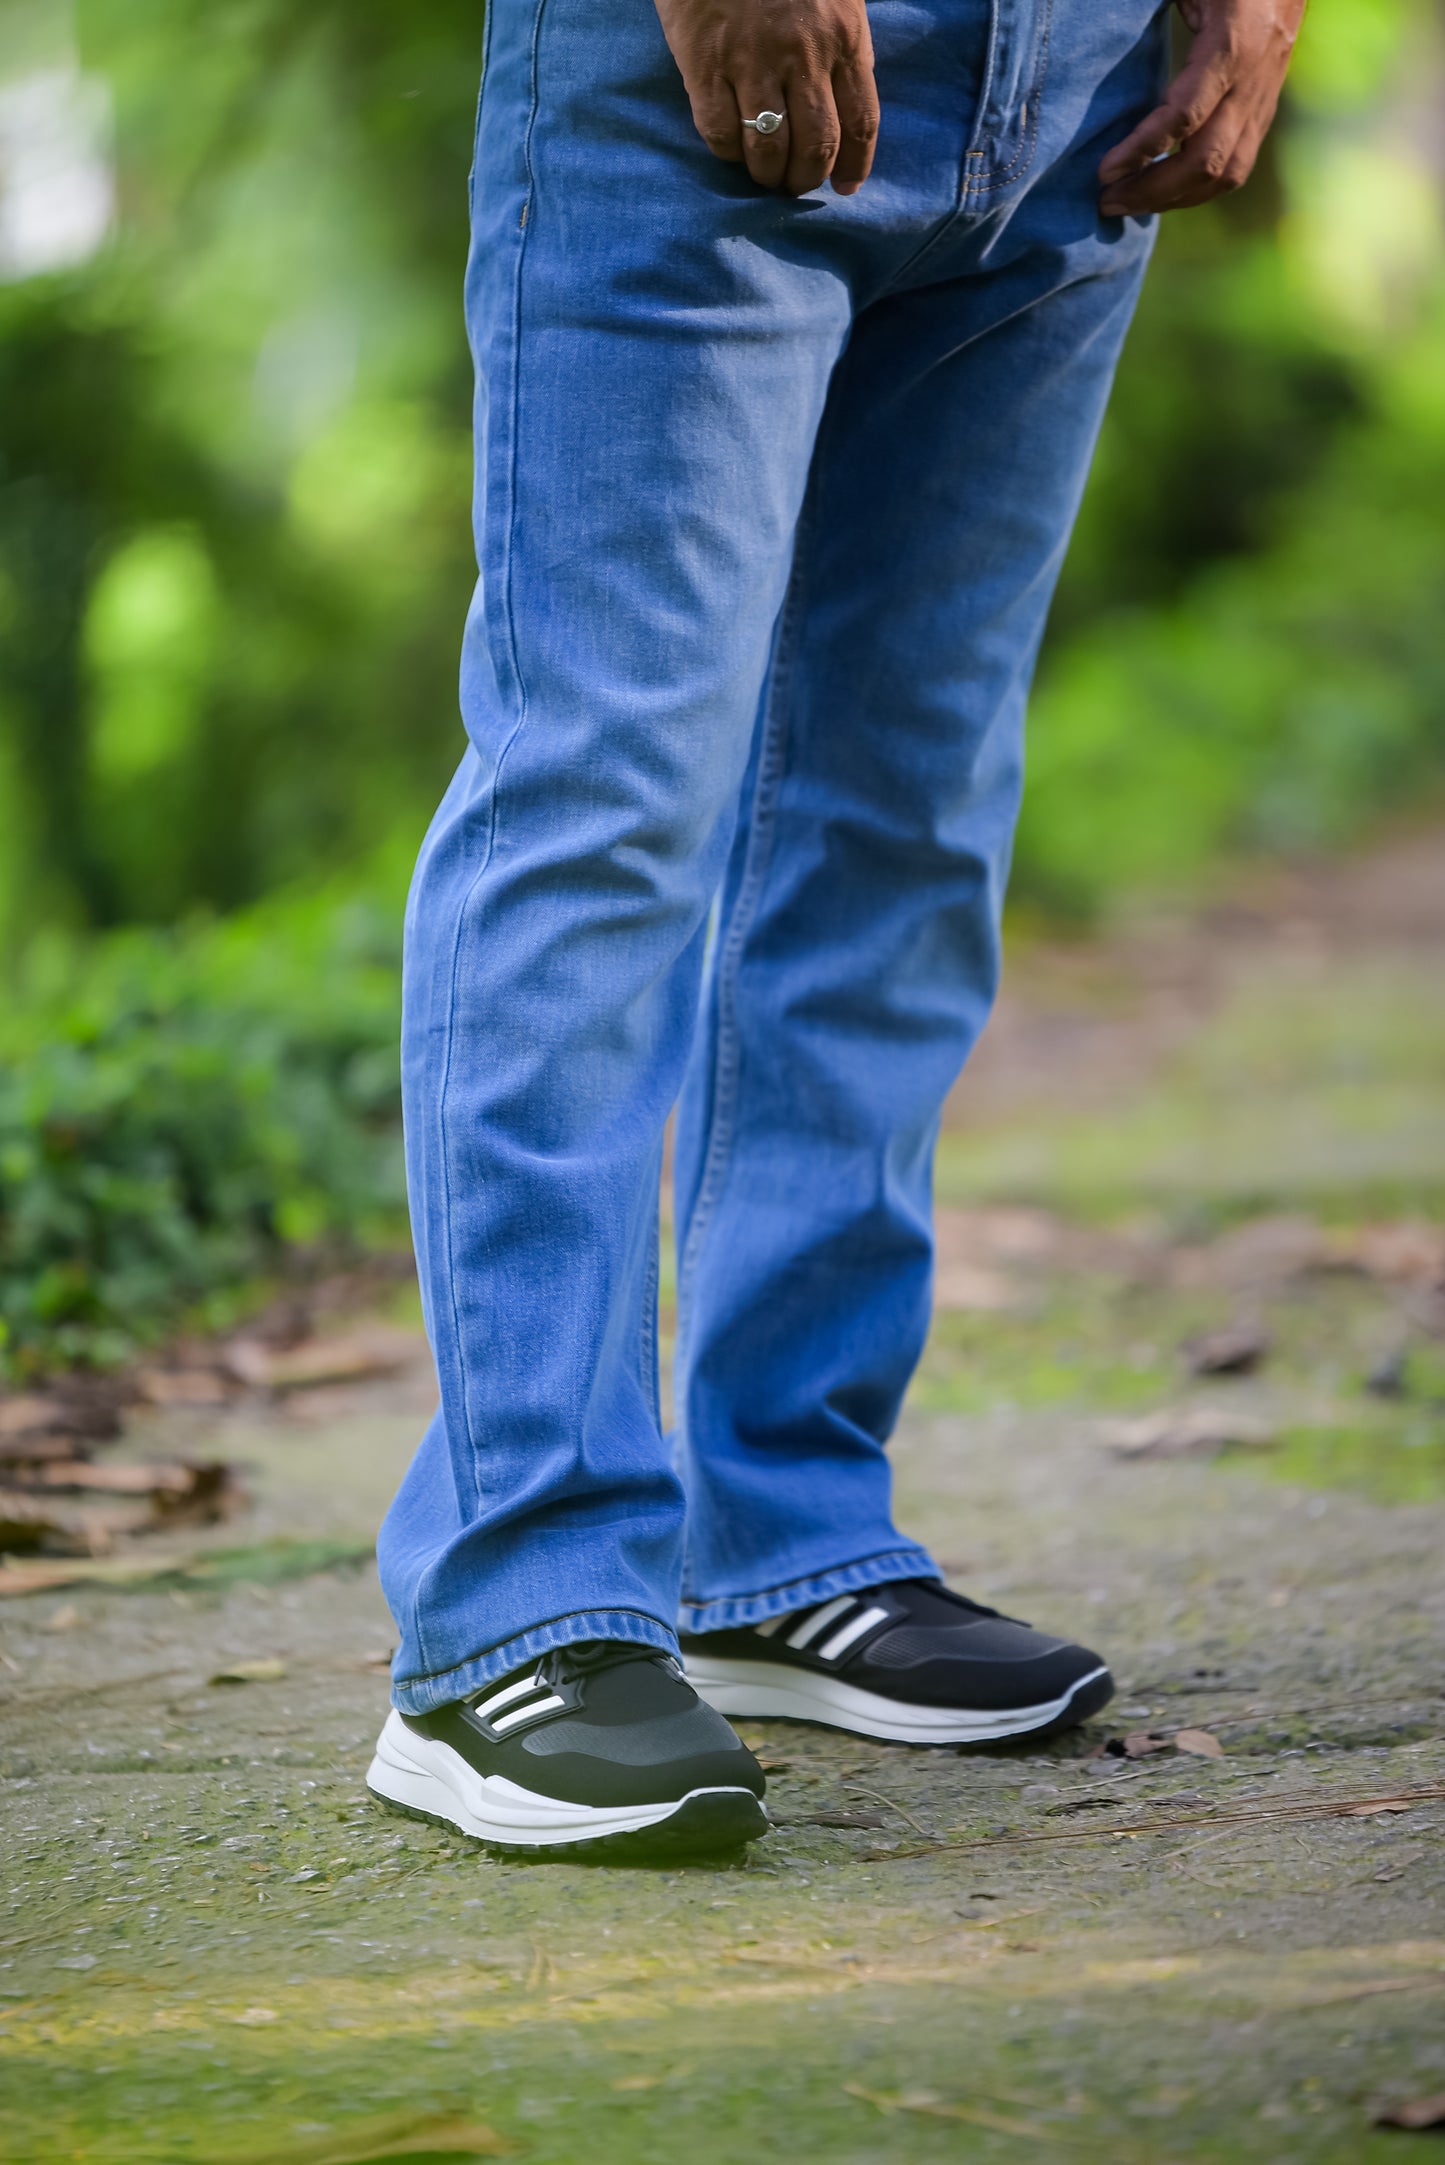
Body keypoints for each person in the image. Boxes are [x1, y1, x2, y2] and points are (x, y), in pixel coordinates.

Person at [367, 0, 1301, 1857]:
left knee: (905, 803)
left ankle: (778, 1532)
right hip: (700, 67)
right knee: (608, 792)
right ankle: (512, 1612)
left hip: (1081, 91)